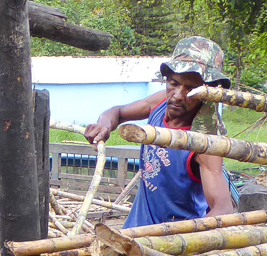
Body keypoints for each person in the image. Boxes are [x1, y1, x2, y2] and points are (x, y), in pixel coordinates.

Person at [85, 36, 236, 227]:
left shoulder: (205, 143)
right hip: (135, 230)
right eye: (174, 83)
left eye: (191, 89)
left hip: (173, 242)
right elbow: (118, 112)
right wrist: (104, 125)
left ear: (209, 91)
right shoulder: (160, 104)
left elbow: (223, 209)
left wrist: (180, 240)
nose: (178, 95)